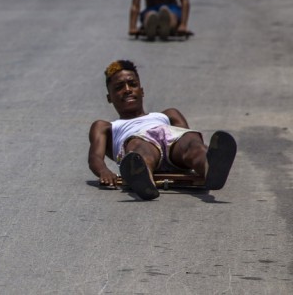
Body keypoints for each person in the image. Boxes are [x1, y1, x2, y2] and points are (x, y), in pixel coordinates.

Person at [87, 60, 236, 200]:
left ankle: (209, 167)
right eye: (119, 87)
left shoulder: (168, 115)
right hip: (139, 142)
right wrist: (104, 171)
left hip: (171, 143)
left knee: (192, 143)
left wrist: (190, 149)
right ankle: (143, 177)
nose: (127, 90)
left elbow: (185, 142)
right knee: (140, 147)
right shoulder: (106, 126)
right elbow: (95, 157)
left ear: (141, 91)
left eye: (132, 84)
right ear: (109, 98)